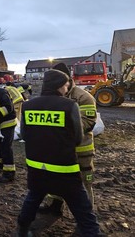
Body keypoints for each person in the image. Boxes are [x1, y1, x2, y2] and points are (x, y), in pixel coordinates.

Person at [16, 69, 101, 236]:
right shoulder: (69, 105)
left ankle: (22, 230)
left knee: (32, 199)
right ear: (58, 86)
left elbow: (24, 134)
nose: (67, 86)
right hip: (64, 168)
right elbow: (77, 138)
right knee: (83, 210)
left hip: (37, 166)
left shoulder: (28, 105)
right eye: (65, 84)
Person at [38, 62, 98, 215]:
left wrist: (60, 132)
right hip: (58, 150)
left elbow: (88, 123)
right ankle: (55, 206)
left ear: (67, 79)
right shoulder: (50, 96)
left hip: (81, 151)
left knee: (84, 183)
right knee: (55, 178)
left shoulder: (84, 97)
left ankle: (86, 216)